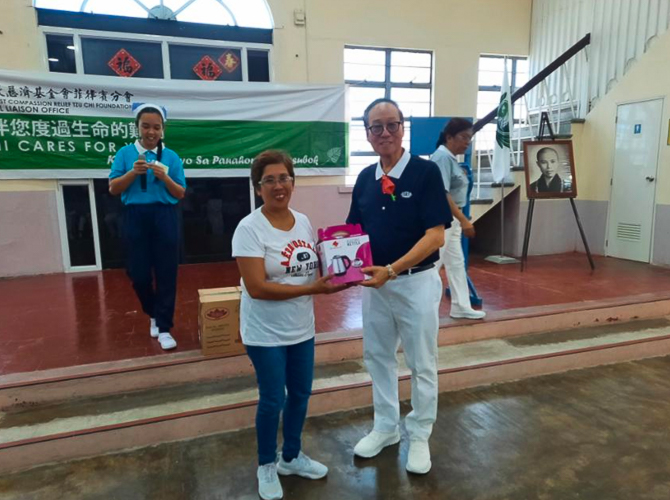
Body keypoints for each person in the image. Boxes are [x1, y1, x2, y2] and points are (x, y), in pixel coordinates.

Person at [232, 150, 346, 500]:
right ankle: (266, 463)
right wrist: (314, 288)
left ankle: (291, 457)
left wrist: (344, 264)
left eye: (284, 178)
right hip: (265, 332)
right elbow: (257, 287)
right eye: (270, 180)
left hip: (301, 328)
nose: (278, 186)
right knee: (272, 399)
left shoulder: (303, 221)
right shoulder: (249, 228)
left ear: (293, 182)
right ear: (258, 187)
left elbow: (313, 266)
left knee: (299, 394)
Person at [347, 98, 452, 475]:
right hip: (375, 286)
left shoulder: (425, 174)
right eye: (377, 126)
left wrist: (391, 269)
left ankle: (420, 434)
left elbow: (435, 236)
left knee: (422, 362)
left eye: (392, 124)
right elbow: (353, 235)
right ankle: (386, 427)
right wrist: (335, 260)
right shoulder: (364, 179)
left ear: (403, 128)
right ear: (367, 133)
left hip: (415, 283)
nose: (385, 133)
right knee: (377, 356)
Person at [109, 103, 186, 351]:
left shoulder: (171, 157)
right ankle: (152, 311)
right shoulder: (125, 154)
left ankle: (164, 328)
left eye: (156, 127)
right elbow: (113, 188)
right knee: (138, 274)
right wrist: (132, 173)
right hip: (135, 215)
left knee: (166, 273)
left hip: (165, 215)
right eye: (146, 126)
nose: (151, 132)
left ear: (163, 129)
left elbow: (181, 192)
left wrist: (165, 178)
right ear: (137, 127)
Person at [431, 119, 486, 320]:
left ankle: (460, 306)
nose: (467, 142)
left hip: (452, 221)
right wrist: (464, 220)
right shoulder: (442, 158)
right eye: (463, 137)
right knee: (433, 266)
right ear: (449, 137)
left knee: (456, 263)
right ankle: (427, 310)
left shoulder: (450, 159)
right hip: (444, 219)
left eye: (470, 138)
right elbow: (443, 194)